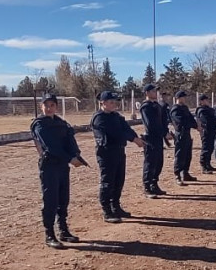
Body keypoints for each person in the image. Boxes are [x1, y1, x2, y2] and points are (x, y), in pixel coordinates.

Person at [30, 94, 87, 248]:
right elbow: (51, 145)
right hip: (49, 166)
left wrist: (76, 154)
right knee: (51, 200)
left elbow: (70, 140)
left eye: (52, 105)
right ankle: (49, 234)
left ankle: (63, 230)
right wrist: (70, 158)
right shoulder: (39, 124)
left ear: (56, 107)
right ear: (41, 107)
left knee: (63, 199)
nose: (49, 108)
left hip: (62, 166)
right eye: (46, 105)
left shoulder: (62, 123)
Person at [90, 91, 145, 222]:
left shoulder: (116, 116)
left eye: (115, 102)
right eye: (111, 102)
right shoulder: (99, 118)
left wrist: (136, 138)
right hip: (107, 153)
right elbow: (115, 133)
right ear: (102, 103)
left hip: (119, 151)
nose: (114, 104)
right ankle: (107, 210)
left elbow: (126, 128)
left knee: (119, 180)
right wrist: (133, 139)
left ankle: (116, 206)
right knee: (107, 182)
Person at [138, 83, 167, 197]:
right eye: (153, 91)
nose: (156, 93)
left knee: (159, 162)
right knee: (150, 162)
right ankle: (147, 186)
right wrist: (162, 132)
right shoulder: (146, 106)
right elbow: (150, 124)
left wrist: (165, 132)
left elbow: (162, 121)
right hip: (150, 138)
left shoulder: (157, 105)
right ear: (147, 93)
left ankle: (154, 184)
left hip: (158, 137)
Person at [169, 90, 198, 185]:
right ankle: (177, 175)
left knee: (187, 155)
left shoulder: (185, 108)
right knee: (180, 155)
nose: (185, 99)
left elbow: (190, 118)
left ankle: (185, 173)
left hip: (187, 133)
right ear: (178, 98)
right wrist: (191, 124)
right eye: (183, 97)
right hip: (180, 134)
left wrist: (196, 125)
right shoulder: (175, 109)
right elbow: (180, 122)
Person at [195, 94, 216, 174]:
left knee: (210, 148)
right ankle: (204, 166)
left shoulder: (209, 109)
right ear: (201, 101)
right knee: (206, 148)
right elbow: (205, 121)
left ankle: (208, 164)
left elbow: (214, 119)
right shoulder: (201, 110)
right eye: (205, 100)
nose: (207, 101)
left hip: (211, 130)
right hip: (206, 131)